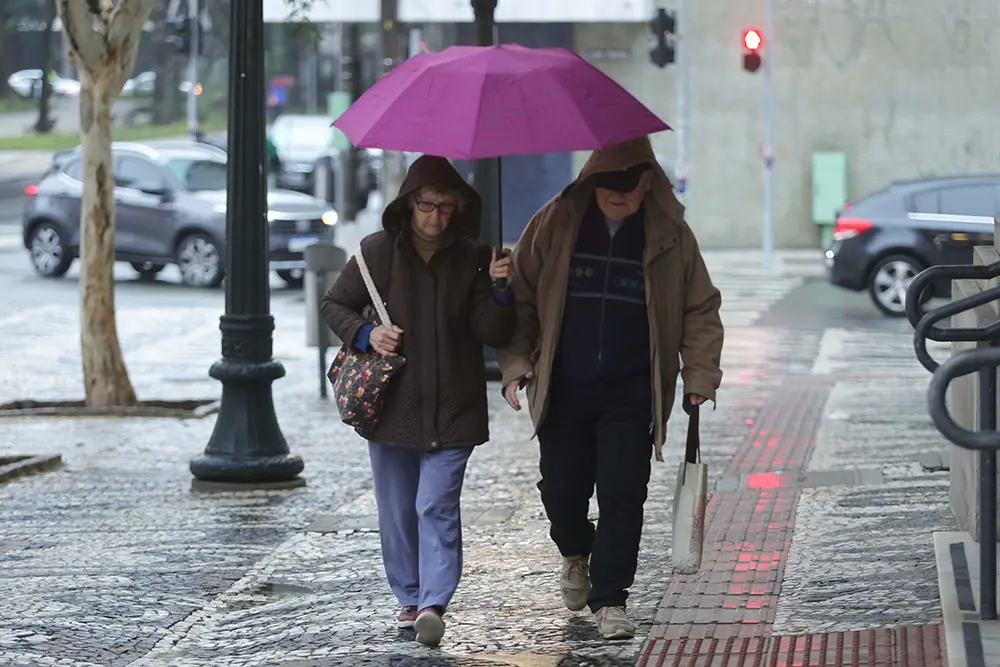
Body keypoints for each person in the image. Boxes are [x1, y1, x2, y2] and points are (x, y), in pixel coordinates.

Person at [497, 136, 724, 640]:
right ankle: (577, 552)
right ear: (593, 184)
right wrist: (517, 364)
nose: (622, 204)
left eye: (632, 194)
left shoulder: (671, 235)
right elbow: (522, 300)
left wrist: (699, 376)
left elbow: (700, 308)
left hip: (632, 390)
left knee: (624, 495)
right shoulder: (554, 223)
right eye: (610, 196)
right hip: (563, 387)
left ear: (649, 183)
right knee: (562, 493)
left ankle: (611, 599)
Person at [321, 155, 516, 647]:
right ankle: (409, 598)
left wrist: (498, 289)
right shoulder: (377, 253)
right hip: (392, 408)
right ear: (408, 205)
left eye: (447, 207)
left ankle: (433, 602)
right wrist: (367, 332)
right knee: (396, 510)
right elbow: (333, 304)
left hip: (454, 408)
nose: (437, 216)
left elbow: (492, 332)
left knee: (436, 504)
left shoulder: (474, 255)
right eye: (427, 205)